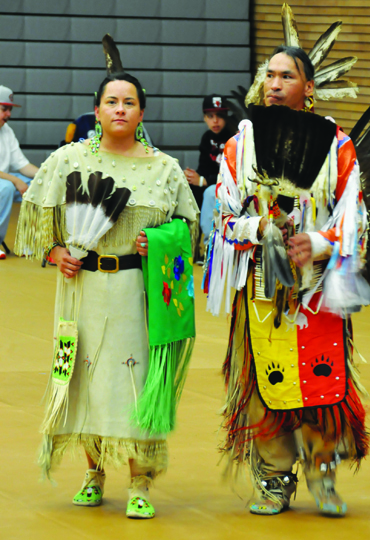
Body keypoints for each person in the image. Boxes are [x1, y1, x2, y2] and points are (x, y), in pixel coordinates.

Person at [15, 39, 199, 520]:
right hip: (84, 290)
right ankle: (94, 472)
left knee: (136, 383)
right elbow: (37, 221)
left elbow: (191, 231)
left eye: (129, 102)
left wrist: (158, 244)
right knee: (86, 381)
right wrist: (58, 253)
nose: (120, 109)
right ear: (96, 111)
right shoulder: (69, 160)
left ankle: (140, 480)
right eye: (111, 102)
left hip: (140, 293)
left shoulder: (165, 170)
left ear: (143, 112)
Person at [204, 43, 370, 518]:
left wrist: (318, 243)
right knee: (264, 385)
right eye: (270, 75)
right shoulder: (241, 145)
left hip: (317, 288)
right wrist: (260, 227)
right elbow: (223, 215)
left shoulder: (337, 145)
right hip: (260, 285)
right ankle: (274, 481)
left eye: (287, 77)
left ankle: (322, 477)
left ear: (309, 89)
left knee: (324, 384)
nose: (274, 84)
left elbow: (355, 218)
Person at [185, 95, 233, 257]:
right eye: (210, 116)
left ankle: (208, 244)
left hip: (228, 185)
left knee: (208, 191)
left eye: (219, 116)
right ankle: (191, 243)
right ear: (205, 118)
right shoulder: (206, 138)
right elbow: (203, 168)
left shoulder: (232, 138)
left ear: (226, 117)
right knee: (189, 190)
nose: (215, 121)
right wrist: (194, 177)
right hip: (210, 182)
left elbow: (233, 172)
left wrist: (205, 180)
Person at [0, 85, 38, 259]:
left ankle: (26, 243)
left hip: (5, 180)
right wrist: (15, 180)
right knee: (6, 187)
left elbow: (23, 166)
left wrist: (46, 175)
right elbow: (13, 179)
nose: (8, 114)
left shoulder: (7, 131)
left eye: (9, 109)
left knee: (36, 186)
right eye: (4, 109)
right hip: (5, 183)